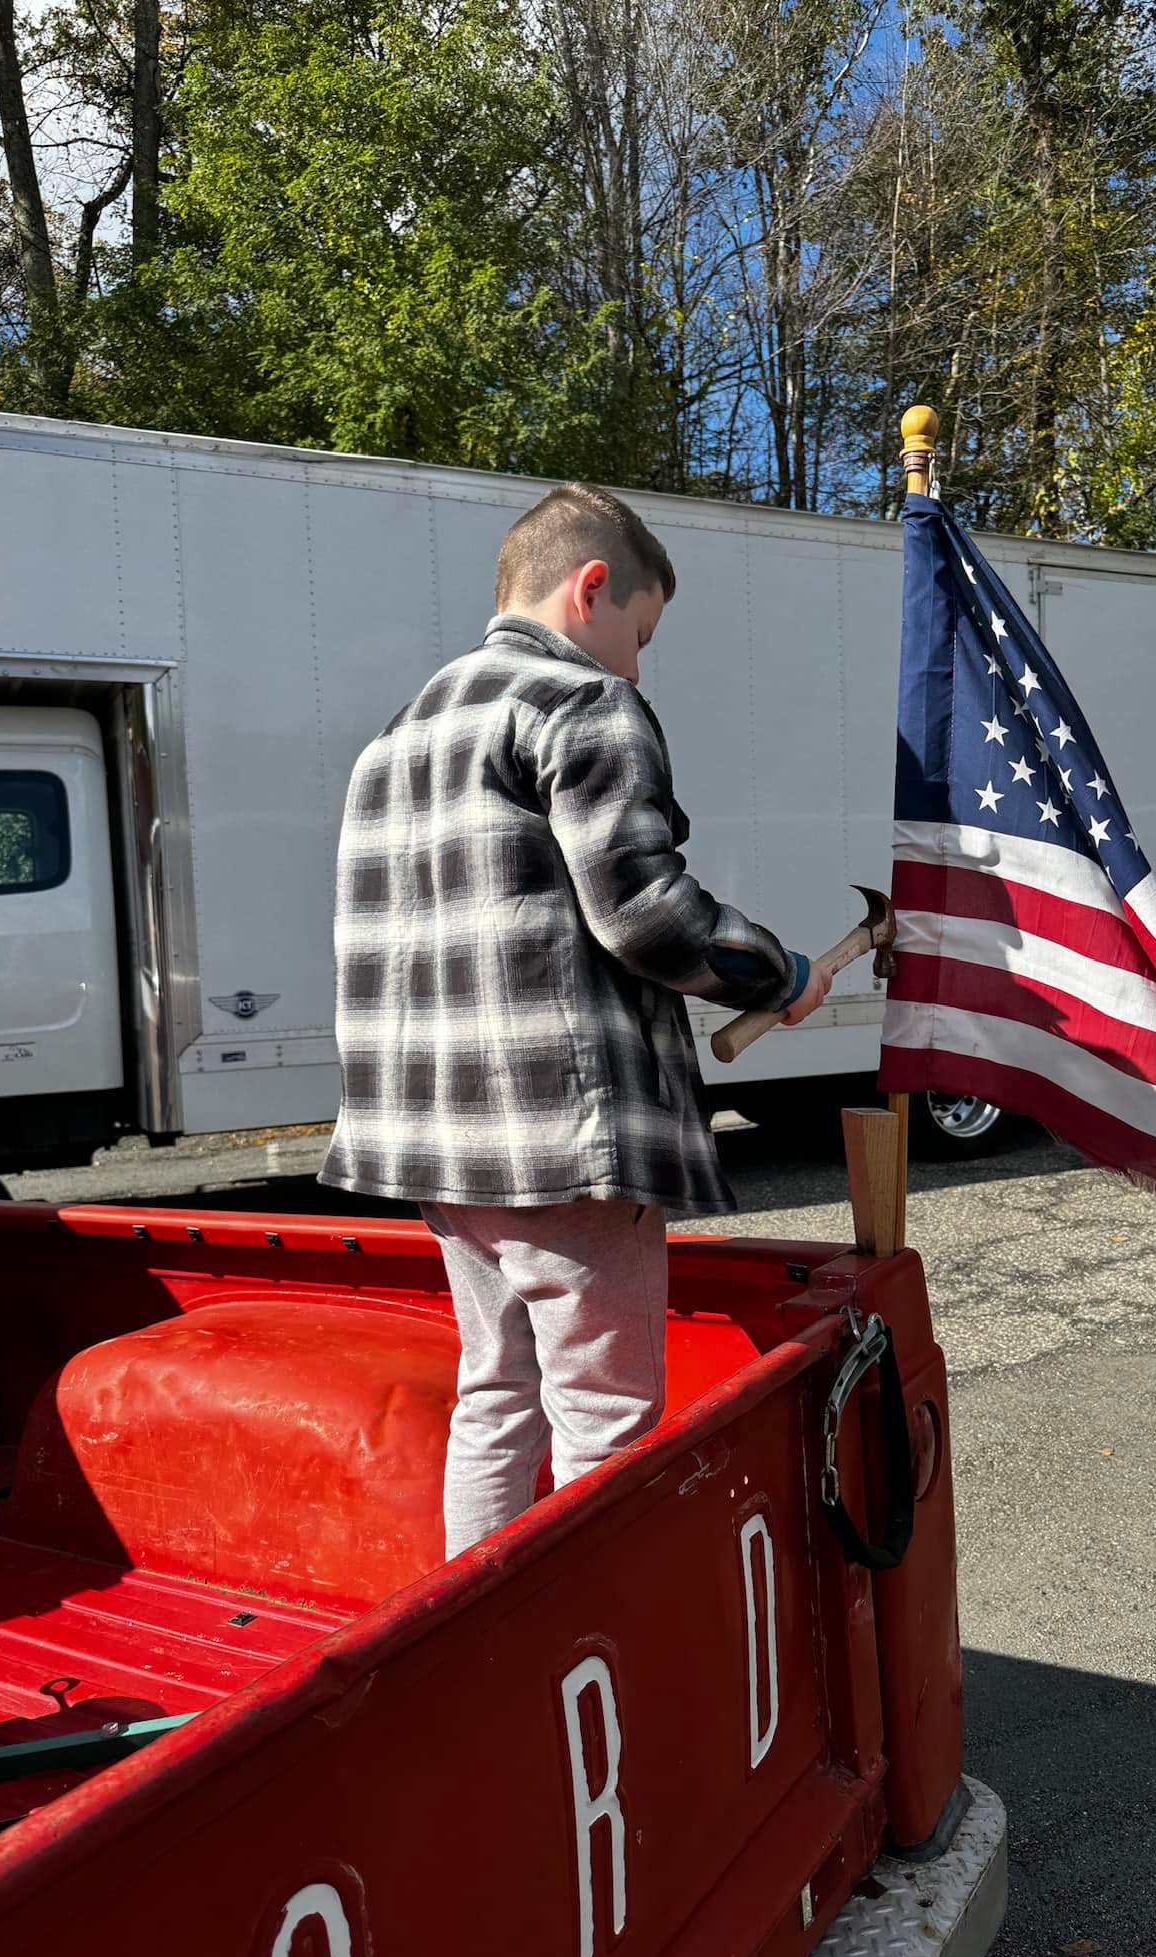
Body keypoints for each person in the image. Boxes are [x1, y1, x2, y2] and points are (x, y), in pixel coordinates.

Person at [321, 482, 831, 1555]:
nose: (639, 666)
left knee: (495, 1392)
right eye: (640, 634)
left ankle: (480, 1642)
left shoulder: (397, 733)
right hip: (562, 1138)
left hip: (437, 1147)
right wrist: (777, 972)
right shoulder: (581, 702)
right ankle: (602, 1655)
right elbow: (645, 913)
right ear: (590, 586)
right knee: (604, 1422)